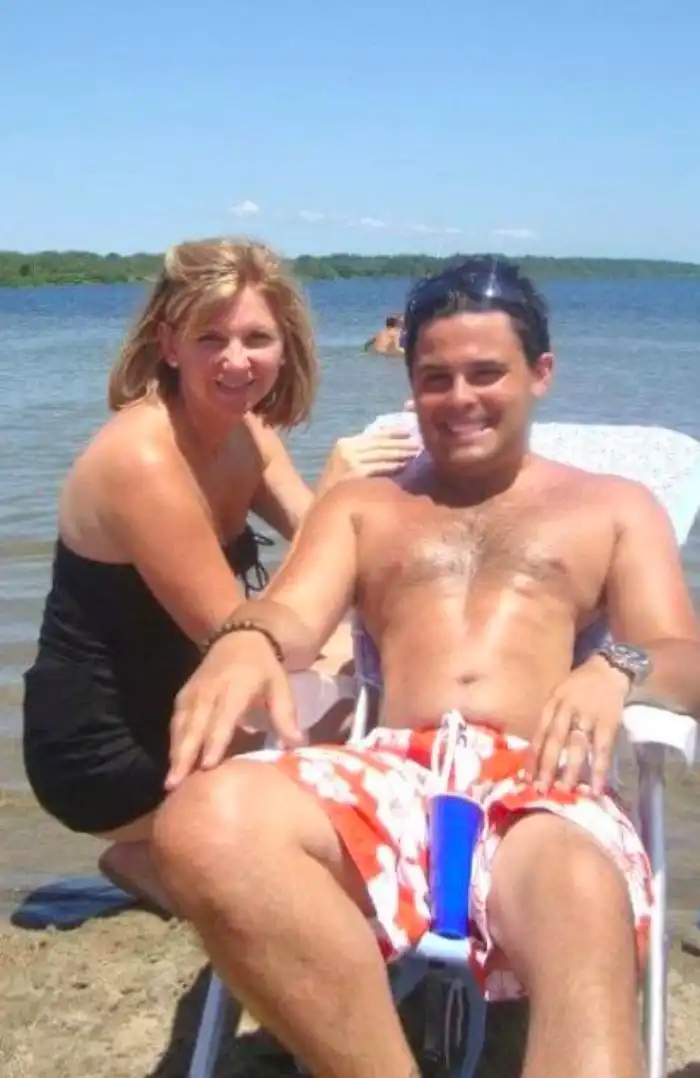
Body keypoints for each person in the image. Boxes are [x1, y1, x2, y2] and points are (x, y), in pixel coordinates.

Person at [152, 255, 700, 1078]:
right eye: (435, 378)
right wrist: (246, 639)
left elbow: (682, 655)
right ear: (411, 386)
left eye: (487, 373)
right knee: (203, 823)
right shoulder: (365, 507)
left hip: (543, 786)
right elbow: (292, 616)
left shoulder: (613, 506)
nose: (459, 397)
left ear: (541, 373)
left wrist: (613, 667)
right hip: (391, 774)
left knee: (581, 897)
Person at [22, 237, 421, 911]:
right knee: (361, 718)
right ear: (170, 344)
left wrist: (426, 480)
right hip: (109, 752)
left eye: (257, 338)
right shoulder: (142, 461)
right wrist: (335, 491)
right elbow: (246, 641)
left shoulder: (248, 431)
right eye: (212, 338)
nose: (237, 361)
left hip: (187, 701)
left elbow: (333, 564)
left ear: (285, 345)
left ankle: (172, 854)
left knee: (373, 659)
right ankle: (162, 851)